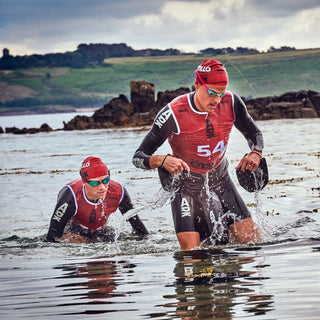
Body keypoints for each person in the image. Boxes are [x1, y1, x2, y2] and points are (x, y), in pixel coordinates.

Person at [132, 59, 264, 250]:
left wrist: (255, 152)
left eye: (221, 93)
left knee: (252, 247)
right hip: (185, 186)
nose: (217, 100)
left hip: (221, 181)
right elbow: (138, 157)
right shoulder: (173, 113)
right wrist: (161, 160)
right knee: (191, 256)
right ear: (197, 85)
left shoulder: (232, 102)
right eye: (212, 93)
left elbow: (255, 133)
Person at [46, 156, 149, 243]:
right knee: (73, 240)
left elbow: (139, 228)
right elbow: (52, 237)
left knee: (114, 236)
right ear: (84, 181)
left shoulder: (119, 192)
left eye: (106, 180)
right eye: (95, 183)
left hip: (99, 231)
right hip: (74, 230)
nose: (102, 187)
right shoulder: (70, 196)